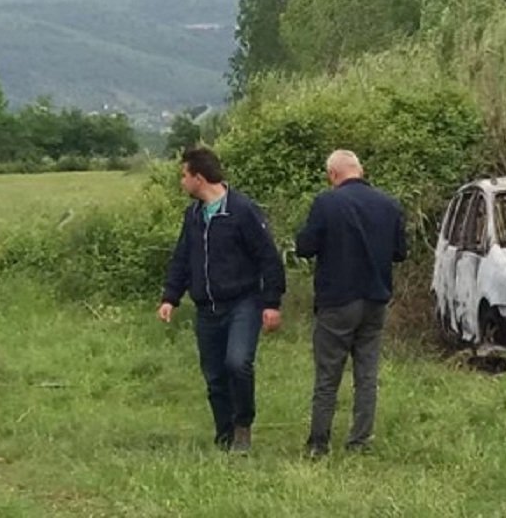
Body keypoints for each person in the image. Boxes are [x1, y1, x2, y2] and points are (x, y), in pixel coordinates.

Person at [158, 147, 285, 454]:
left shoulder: (242, 210)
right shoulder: (193, 215)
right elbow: (183, 259)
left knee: (237, 363)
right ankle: (224, 433)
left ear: (199, 178)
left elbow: (269, 258)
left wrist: (271, 302)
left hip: (243, 302)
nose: (182, 183)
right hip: (206, 307)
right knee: (214, 374)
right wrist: (170, 297)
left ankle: (243, 426)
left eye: (184, 176)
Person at [295, 150, 407, 457]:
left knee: (328, 374)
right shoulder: (389, 205)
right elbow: (400, 252)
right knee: (367, 374)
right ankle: (360, 440)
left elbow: (306, 247)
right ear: (361, 170)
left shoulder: (326, 203)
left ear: (333, 175)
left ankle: (319, 443)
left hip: (337, 300)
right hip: (375, 298)